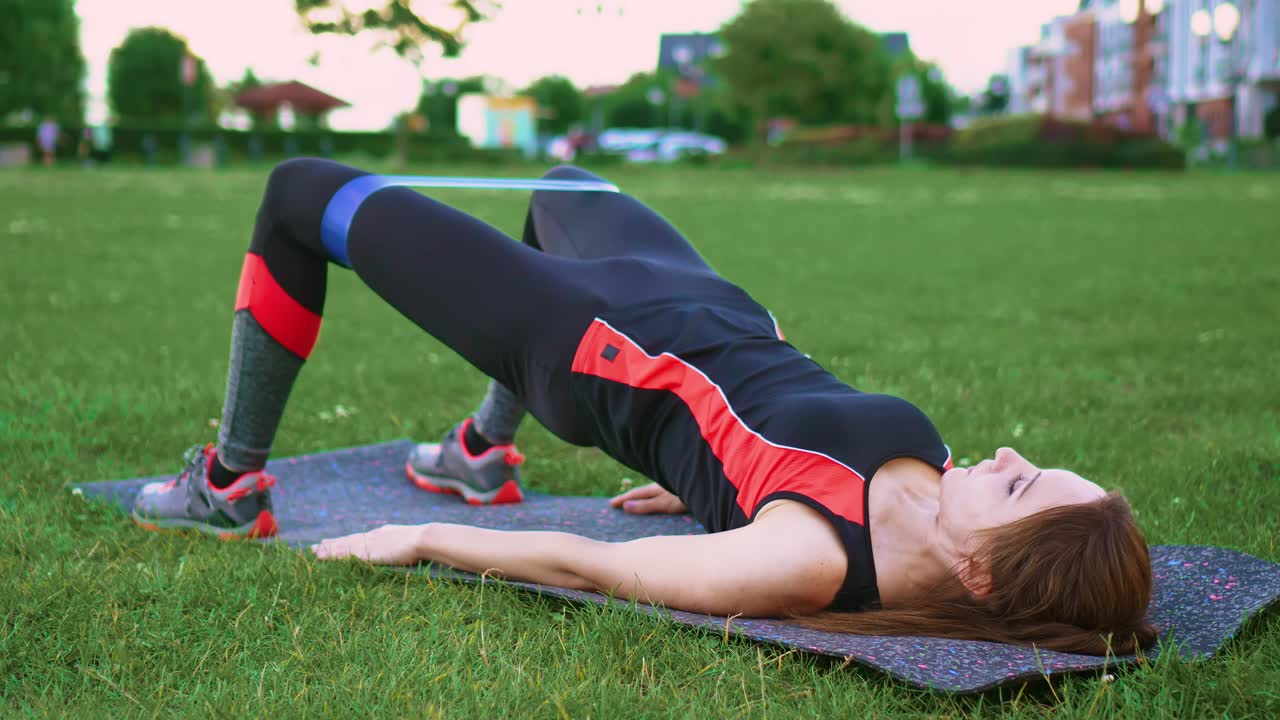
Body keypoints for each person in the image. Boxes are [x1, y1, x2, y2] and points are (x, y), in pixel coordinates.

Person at [130, 158, 1156, 655]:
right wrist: (711, 487)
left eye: (1018, 483)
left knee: (301, 193)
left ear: (978, 574)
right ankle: (479, 451)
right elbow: (775, 439)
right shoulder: (921, 492)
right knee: (562, 186)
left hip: (575, 336)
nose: (1008, 450)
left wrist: (419, 537)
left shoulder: (805, 558)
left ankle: (226, 485)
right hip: (692, 293)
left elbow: (598, 568)